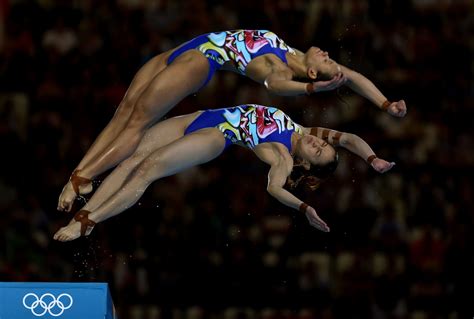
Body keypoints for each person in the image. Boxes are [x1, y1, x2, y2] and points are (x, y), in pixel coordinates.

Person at [57, 29, 406, 212]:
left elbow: (276, 86)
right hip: (188, 47)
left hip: (199, 62)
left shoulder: (282, 69)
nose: (332, 57)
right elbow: (356, 77)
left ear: (314, 72)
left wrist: (312, 88)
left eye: (329, 63)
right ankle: (82, 175)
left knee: (135, 125)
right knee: (123, 113)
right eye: (333, 62)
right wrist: (385, 103)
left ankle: (81, 178)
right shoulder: (294, 51)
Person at [54, 104, 395, 242]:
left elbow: (275, 189)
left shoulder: (282, 157)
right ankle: (82, 215)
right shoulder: (302, 127)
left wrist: (303, 208)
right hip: (201, 116)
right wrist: (372, 158)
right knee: (131, 157)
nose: (317, 143)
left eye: (318, 151)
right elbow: (349, 138)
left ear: (305, 164)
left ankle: (93, 220)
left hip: (216, 137)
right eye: (322, 144)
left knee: (145, 170)